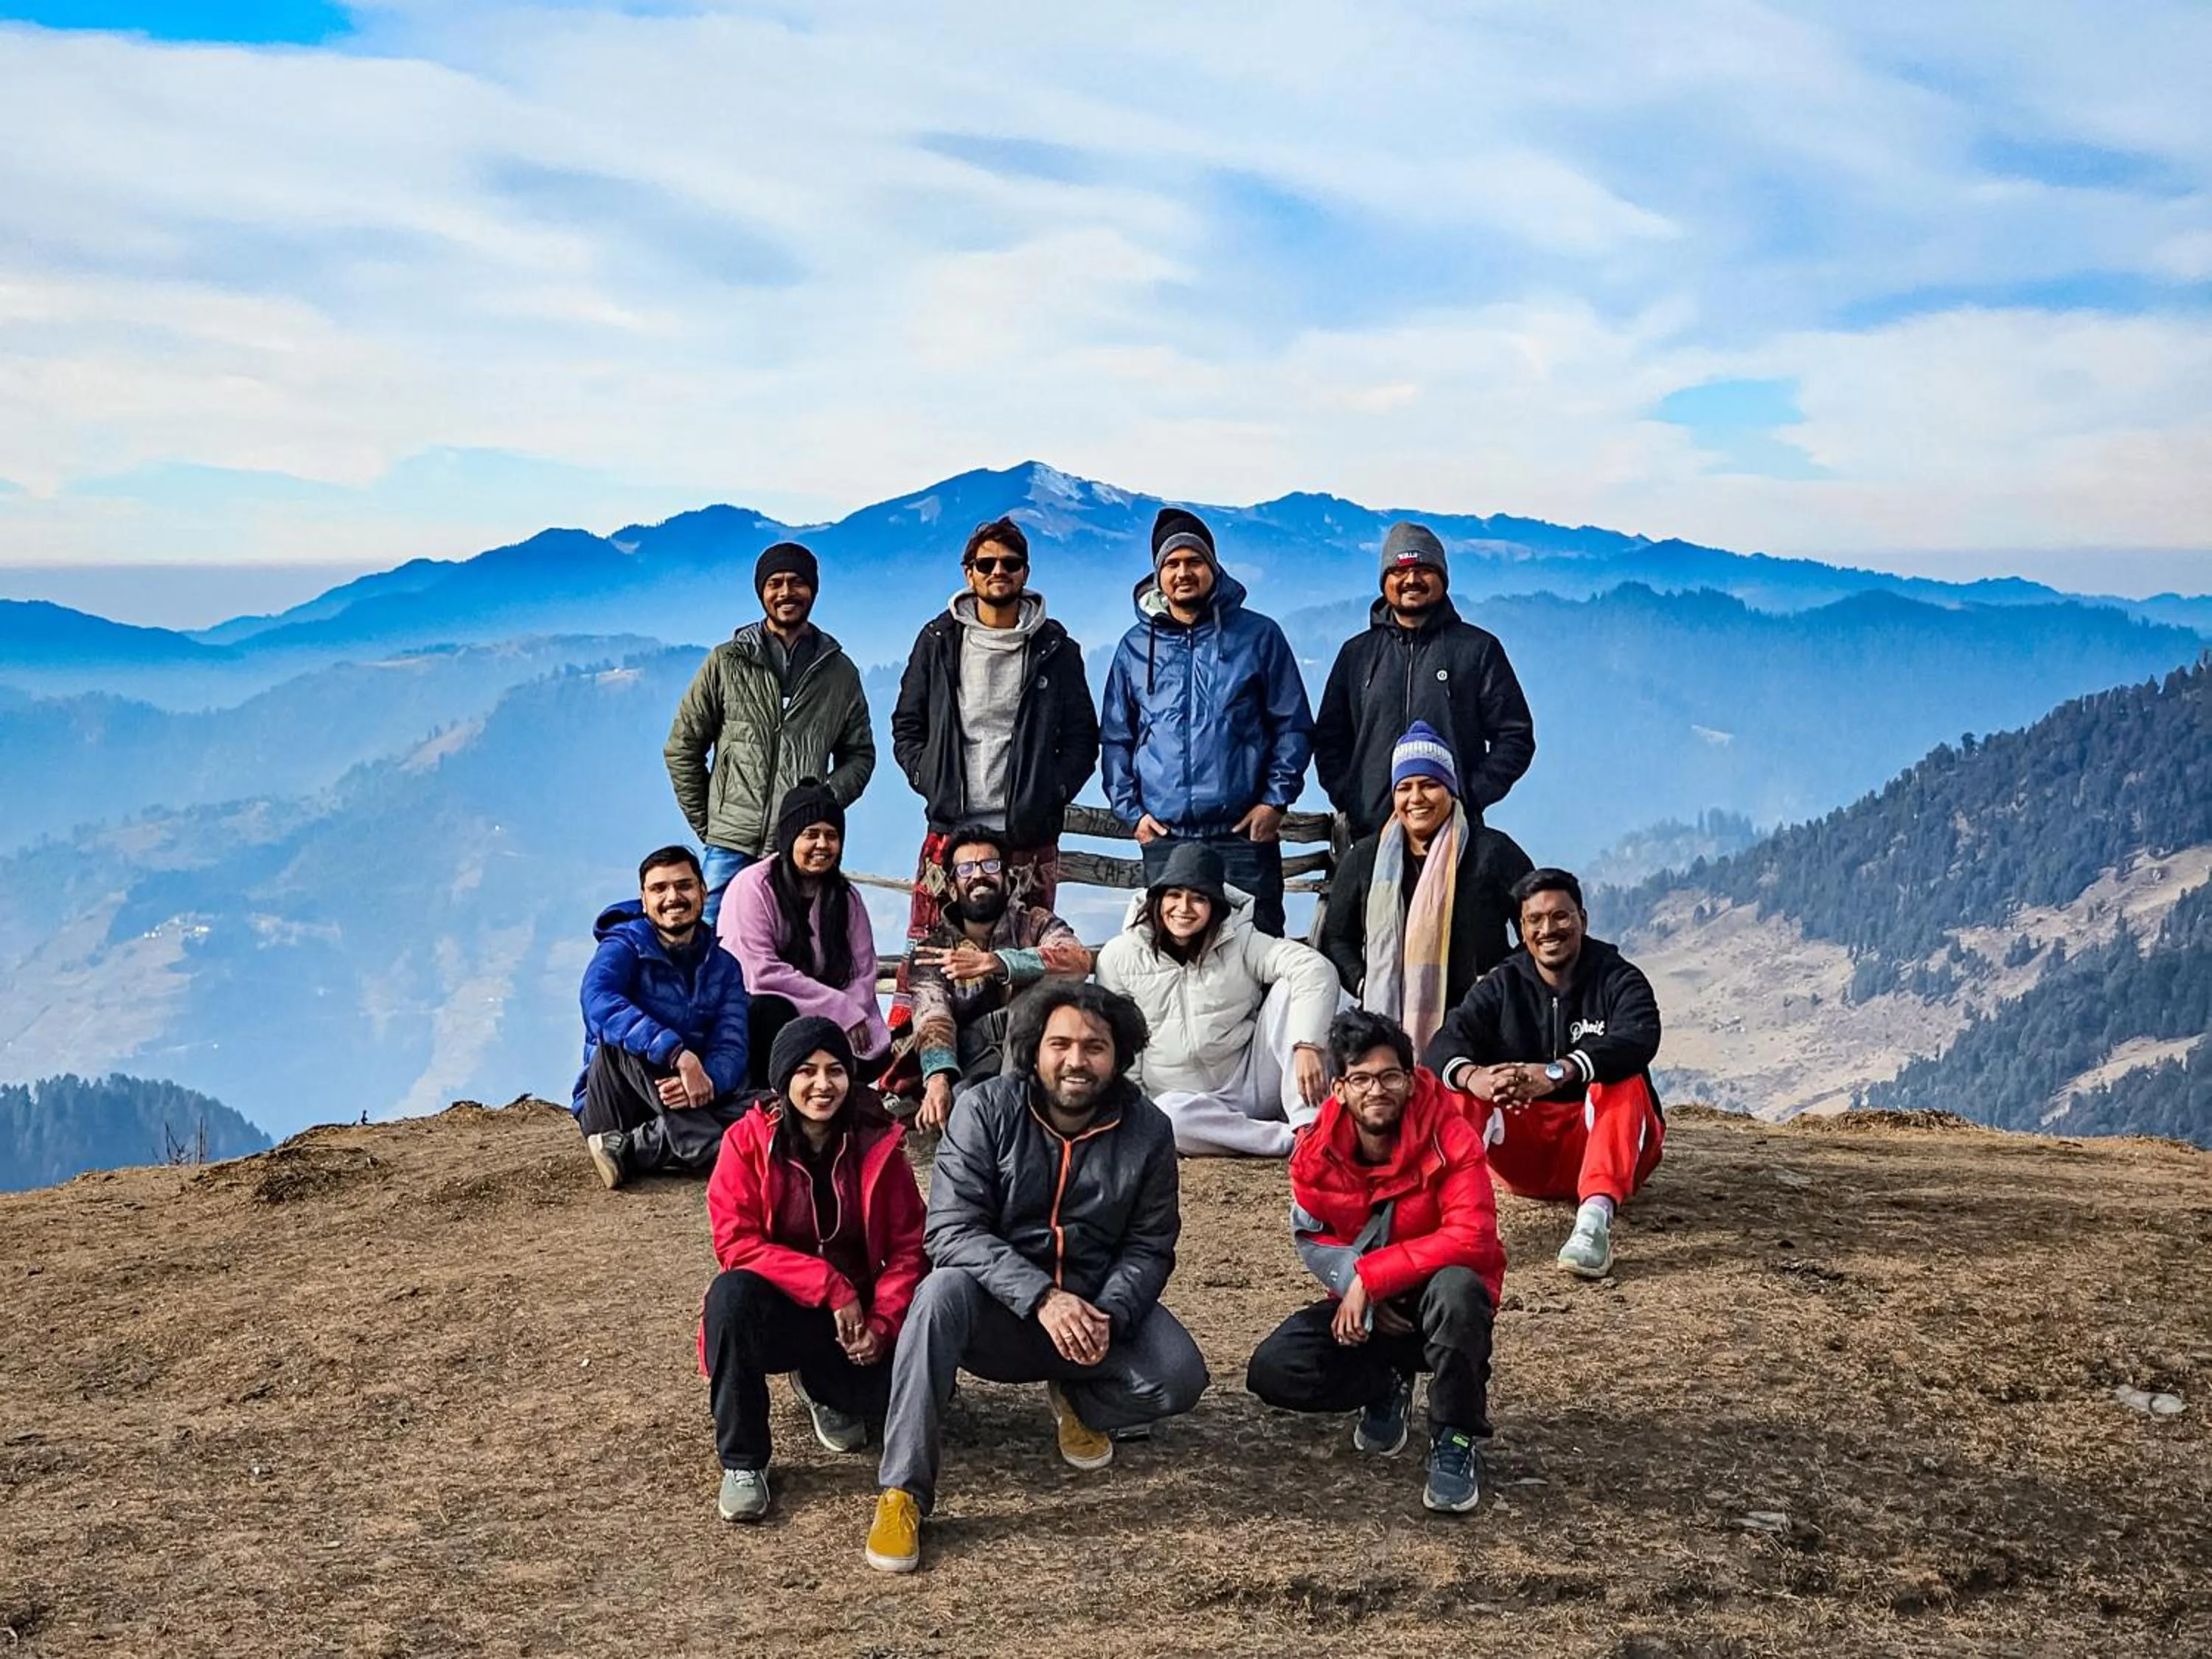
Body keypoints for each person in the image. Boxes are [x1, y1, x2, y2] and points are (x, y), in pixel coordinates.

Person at [865, 982, 1209, 1573]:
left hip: (1093, 1311)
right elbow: (949, 1231)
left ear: (1119, 1055)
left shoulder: (1147, 1129)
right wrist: (1042, 1298)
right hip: (997, 1313)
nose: (1077, 1060)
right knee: (937, 1295)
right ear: (1034, 1049)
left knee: (1177, 1378)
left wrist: (1112, 1313)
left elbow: (1149, 1245)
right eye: (1061, 1044)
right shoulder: (984, 1109)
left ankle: (1077, 1396)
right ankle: (903, 1492)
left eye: (1095, 1046)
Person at [1245, 1009, 1505, 1514]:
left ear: (1410, 1082)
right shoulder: (1314, 1153)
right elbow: (1313, 1237)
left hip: (1436, 1302)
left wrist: (1374, 1275)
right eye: (1360, 1079)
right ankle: (1386, 1385)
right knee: (1274, 1370)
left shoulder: (1451, 1137)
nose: (1376, 1090)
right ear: (1339, 1089)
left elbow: (1473, 1237)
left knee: (1459, 1292)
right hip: (1367, 1306)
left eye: (1389, 1076)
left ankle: (1454, 1437)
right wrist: (1356, 1286)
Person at [886, 518, 1099, 1091]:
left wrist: (1051, 793)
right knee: (930, 956)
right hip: (951, 827)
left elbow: (1082, 738)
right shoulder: (939, 641)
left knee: (1033, 950)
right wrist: (929, 779)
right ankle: (917, 1074)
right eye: (986, 564)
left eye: (1009, 563)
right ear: (968, 573)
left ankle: (1028, 1069)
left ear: (1025, 573)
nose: (997, 572)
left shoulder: (1054, 647)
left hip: (1026, 833)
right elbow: (908, 724)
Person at [699, 1017, 928, 1523]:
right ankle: (743, 1462)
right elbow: (736, 1243)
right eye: (806, 1072)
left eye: (835, 1071)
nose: (823, 1086)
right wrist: (829, 1285)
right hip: (784, 1308)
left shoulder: (878, 1143)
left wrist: (884, 1322)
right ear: (783, 1080)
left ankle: (823, 1388)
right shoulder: (747, 1140)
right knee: (730, 1298)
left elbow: (911, 1246)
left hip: (858, 1319)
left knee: (919, 1393)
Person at [1426, 868, 1664, 1279]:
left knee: (1624, 1076)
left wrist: (1561, 1071)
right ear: (1522, 929)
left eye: (1560, 916)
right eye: (1535, 920)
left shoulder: (1618, 977)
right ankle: (1455, 1225)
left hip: (1601, 1149)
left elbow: (1641, 1037)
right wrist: (1477, 1078)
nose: (1547, 930)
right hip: (1523, 1156)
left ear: (1583, 921)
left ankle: (1593, 1225)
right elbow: (1443, 1045)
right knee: (1461, 1086)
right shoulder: (1501, 984)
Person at [1100, 507, 1312, 938]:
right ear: (1157, 575)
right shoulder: (1135, 647)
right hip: (1166, 835)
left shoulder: (1258, 636)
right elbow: (1117, 737)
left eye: (1194, 562)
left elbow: (1292, 725)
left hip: (1242, 835)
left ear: (1213, 568)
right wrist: (1132, 813)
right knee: (1171, 959)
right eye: (1172, 564)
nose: (1184, 573)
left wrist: (1274, 802)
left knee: (1258, 954)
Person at [665, 540, 876, 923]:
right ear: (761, 591)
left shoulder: (839, 672)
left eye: (797, 582)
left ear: (813, 589)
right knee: (708, 947)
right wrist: (712, 823)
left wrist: (821, 803)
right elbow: (683, 747)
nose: (786, 593)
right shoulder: (727, 661)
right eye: (774, 583)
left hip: (797, 849)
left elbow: (860, 755)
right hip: (728, 845)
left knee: (796, 951)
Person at [1093, 841, 1339, 1157]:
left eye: (1199, 898)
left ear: (1215, 907)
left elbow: (1315, 969)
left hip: (1249, 1081)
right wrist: (1133, 1115)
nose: (1184, 908)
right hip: (1182, 1100)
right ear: (1158, 899)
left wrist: (1308, 1044)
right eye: (1175, 895)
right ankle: (1283, 1141)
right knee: (1167, 1117)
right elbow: (1122, 1043)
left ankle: (1309, 1127)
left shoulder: (1241, 941)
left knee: (1292, 987)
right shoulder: (1118, 957)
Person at [1318, 720, 1534, 1054]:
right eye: (1405, 787)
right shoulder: (1366, 858)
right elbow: (1337, 937)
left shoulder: (1492, 852)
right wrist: (1363, 981)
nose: (1416, 798)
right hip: (1385, 1027)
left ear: (1451, 789)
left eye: (1430, 784)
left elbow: (1535, 924)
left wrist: (1497, 983)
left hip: (1481, 1024)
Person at [1312, 521, 1535, 842]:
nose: (1411, 580)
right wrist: (1351, 797)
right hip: (1371, 834)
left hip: (1456, 834)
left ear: (1442, 578)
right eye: (1400, 570)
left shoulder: (1477, 650)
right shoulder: (1356, 654)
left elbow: (1515, 736)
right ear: (1385, 580)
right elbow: (1330, 738)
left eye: (1424, 569)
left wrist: (1469, 795)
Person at [571, 845, 752, 1190]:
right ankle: (722, 1145)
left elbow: (732, 1044)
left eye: (684, 886)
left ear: (703, 891)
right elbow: (597, 1001)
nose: (673, 897)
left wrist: (707, 1081)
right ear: (643, 900)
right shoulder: (622, 946)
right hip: (617, 1103)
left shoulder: (725, 966)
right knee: (617, 1044)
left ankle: (631, 1149)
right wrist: (676, 1055)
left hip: (691, 1095)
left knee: (771, 1103)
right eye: (659, 889)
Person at [904, 824, 1093, 1131]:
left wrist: (997, 963)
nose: (978, 875)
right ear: (952, 887)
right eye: (966, 869)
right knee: (967, 1099)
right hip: (971, 1059)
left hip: (1036, 1055)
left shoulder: (1035, 923)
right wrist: (938, 1078)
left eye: (990, 865)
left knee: (1029, 1008)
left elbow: (1077, 961)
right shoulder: (932, 949)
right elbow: (932, 1015)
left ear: (1006, 878)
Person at [719, 780, 891, 1083]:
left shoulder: (847, 898)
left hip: (835, 1018)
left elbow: (863, 972)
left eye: (831, 836)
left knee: (874, 1049)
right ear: (788, 839)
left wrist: (851, 1013)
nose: (822, 845)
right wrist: (838, 1009)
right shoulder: (752, 887)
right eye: (811, 835)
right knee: (768, 1011)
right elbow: (757, 971)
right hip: (768, 1016)